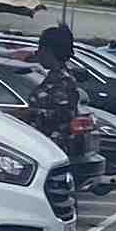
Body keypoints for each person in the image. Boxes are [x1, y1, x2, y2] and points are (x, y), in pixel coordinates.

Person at [26, 20, 93, 185]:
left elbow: (61, 115)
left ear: (49, 51)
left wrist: (27, 114)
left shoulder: (62, 81)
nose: (38, 54)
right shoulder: (56, 78)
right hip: (46, 148)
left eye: (40, 49)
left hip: (53, 149)